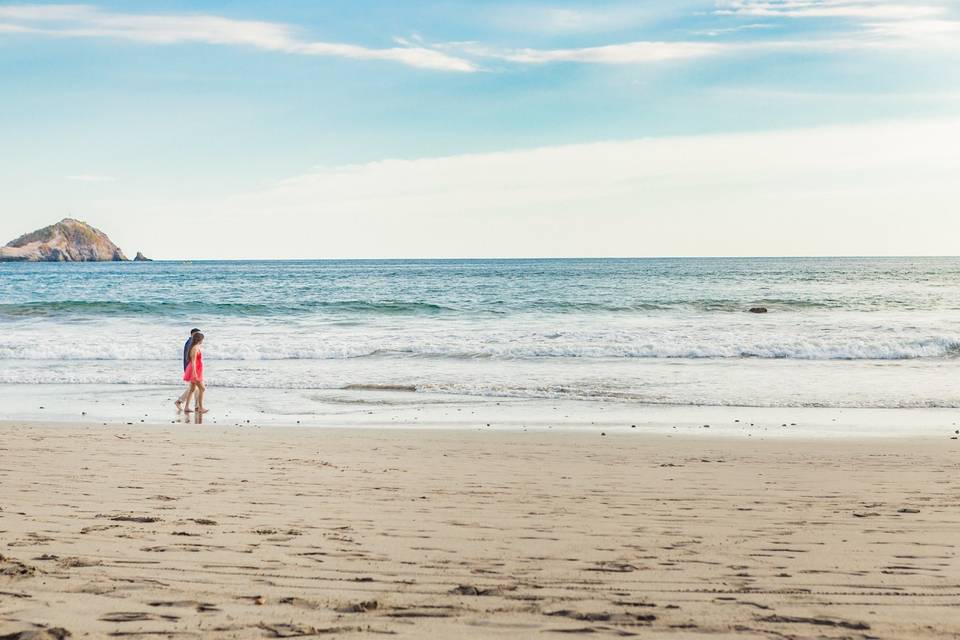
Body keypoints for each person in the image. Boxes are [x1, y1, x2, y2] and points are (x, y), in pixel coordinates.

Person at [174, 328, 201, 412]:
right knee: (195, 387)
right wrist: (192, 370)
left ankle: (196, 406)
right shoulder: (190, 343)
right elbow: (190, 358)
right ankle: (179, 401)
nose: (199, 336)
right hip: (190, 368)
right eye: (197, 334)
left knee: (195, 387)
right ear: (193, 334)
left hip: (192, 368)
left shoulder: (193, 343)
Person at [183, 332, 207, 414]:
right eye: (202, 339)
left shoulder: (196, 347)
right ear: (200, 339)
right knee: (202, 388)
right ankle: (200, 407)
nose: (203, 341)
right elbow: (193, 362)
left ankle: (186, 407)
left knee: (192, 389)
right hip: (194, 370)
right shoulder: (195, 348)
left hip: (197, 369)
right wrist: (194, 373)